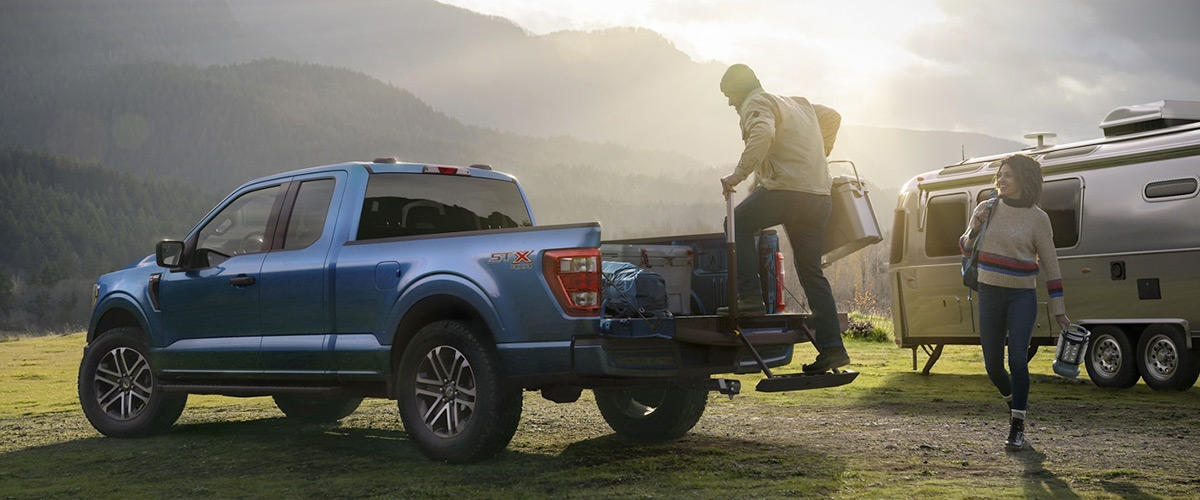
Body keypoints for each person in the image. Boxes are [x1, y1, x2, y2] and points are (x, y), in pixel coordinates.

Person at [715, 63, 849, 374]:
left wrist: (738, 175)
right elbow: (832, 116)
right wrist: (820, 153)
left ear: (740, 89)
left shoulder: (756, 103)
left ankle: (749, 296)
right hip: (819, 196)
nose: (730, 103)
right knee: (812, 274)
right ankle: (833, 349)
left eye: (729, 95)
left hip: (788, 193)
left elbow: (762, 133)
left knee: (736, 223)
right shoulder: (798, 104)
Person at [959, 153, 1070, 451]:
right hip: (990, 293)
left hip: (1022, 295)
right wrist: (974, 224)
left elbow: (1051, 265)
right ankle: (1013, 403)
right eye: (1000, 174)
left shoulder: (1038, 218)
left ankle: (1017, 424)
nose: (1002, 180)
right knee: (993, 366)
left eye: (1008, 175)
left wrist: (1059, 310)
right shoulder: (987, 207)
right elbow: (966, 246)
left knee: (1017, 359)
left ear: (1024, 179)